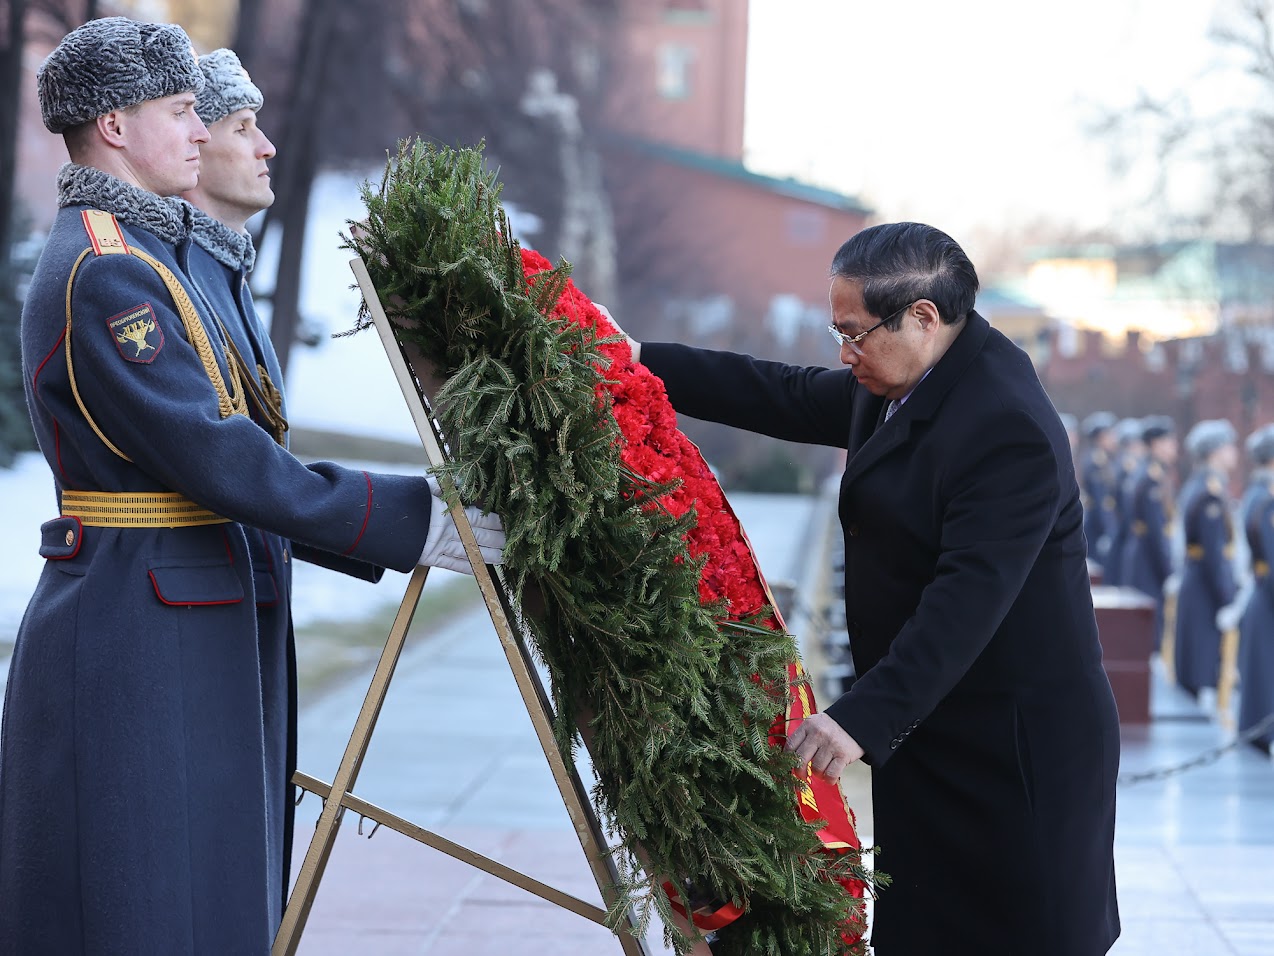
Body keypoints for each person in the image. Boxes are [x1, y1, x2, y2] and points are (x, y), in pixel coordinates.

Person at [0, 18, 503, 954]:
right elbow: (215, 454)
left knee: (207, 892)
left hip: (182, 606)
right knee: (145, 901)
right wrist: (410, 518)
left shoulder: (144, 254)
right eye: (183, 111)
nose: (205, 131)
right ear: (114, 126)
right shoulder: (108, 270)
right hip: (139, 621)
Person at [619, 222, 1120, 954]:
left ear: (921, 315)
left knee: (1016, 935)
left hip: (1014, 752)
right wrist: (637, 362)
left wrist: (859, 717)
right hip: (935, 729)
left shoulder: (1006, 425)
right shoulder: (906, 377)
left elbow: (968, 598)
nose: (845, 355)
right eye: (838, 335)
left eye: (855, 335)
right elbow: (782, 392)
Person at [1172, 420, 1239, 698]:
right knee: (1201, 677)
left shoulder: (1202, 486)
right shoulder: (1208, 493)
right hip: (1205, 590)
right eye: (1229, 446)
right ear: (1215, 452)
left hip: (1198, 585)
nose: (1234, 452)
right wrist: (1228, 598)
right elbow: (1214, 554)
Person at [1118, 415, 1178, 648]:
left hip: (1143, 557)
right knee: (1147, 636)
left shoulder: (1153, 474)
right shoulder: (1150, 479)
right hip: (1148, 562)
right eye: (1169, 441)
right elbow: (1156, 532)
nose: (1174, 446)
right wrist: (1168, 571)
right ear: (1155, 444)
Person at [1238, 424, 1274, 752]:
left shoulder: (1258, 495)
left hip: (1263, 598)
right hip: (1267, 600)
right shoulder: (1267, 501)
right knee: (1262, 685)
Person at [1080, 411, 1120, 573]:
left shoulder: (1104, 459)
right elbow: (1101, 501)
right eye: (1110, 434)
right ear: (1101, 436)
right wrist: (1109, 531)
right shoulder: (1096, 462)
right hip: (1097, 526)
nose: (1114, 439)